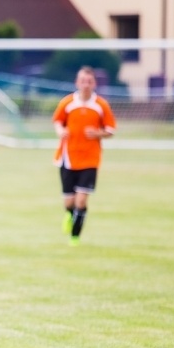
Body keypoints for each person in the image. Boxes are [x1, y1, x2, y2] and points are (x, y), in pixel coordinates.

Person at [52, 66, 117, 246]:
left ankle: (75, 236)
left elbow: (111, 130)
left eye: (89, 81)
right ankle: (68, 215)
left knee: (81, 200)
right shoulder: (67, 103)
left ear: (94, 83)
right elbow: (57, 121)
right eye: (82, 81)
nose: (86, 84)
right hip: (68, 157)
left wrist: (97, 133)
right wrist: (60, 131)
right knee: (69, 201)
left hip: (90, 159)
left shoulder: (101, 105)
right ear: (77, 82)